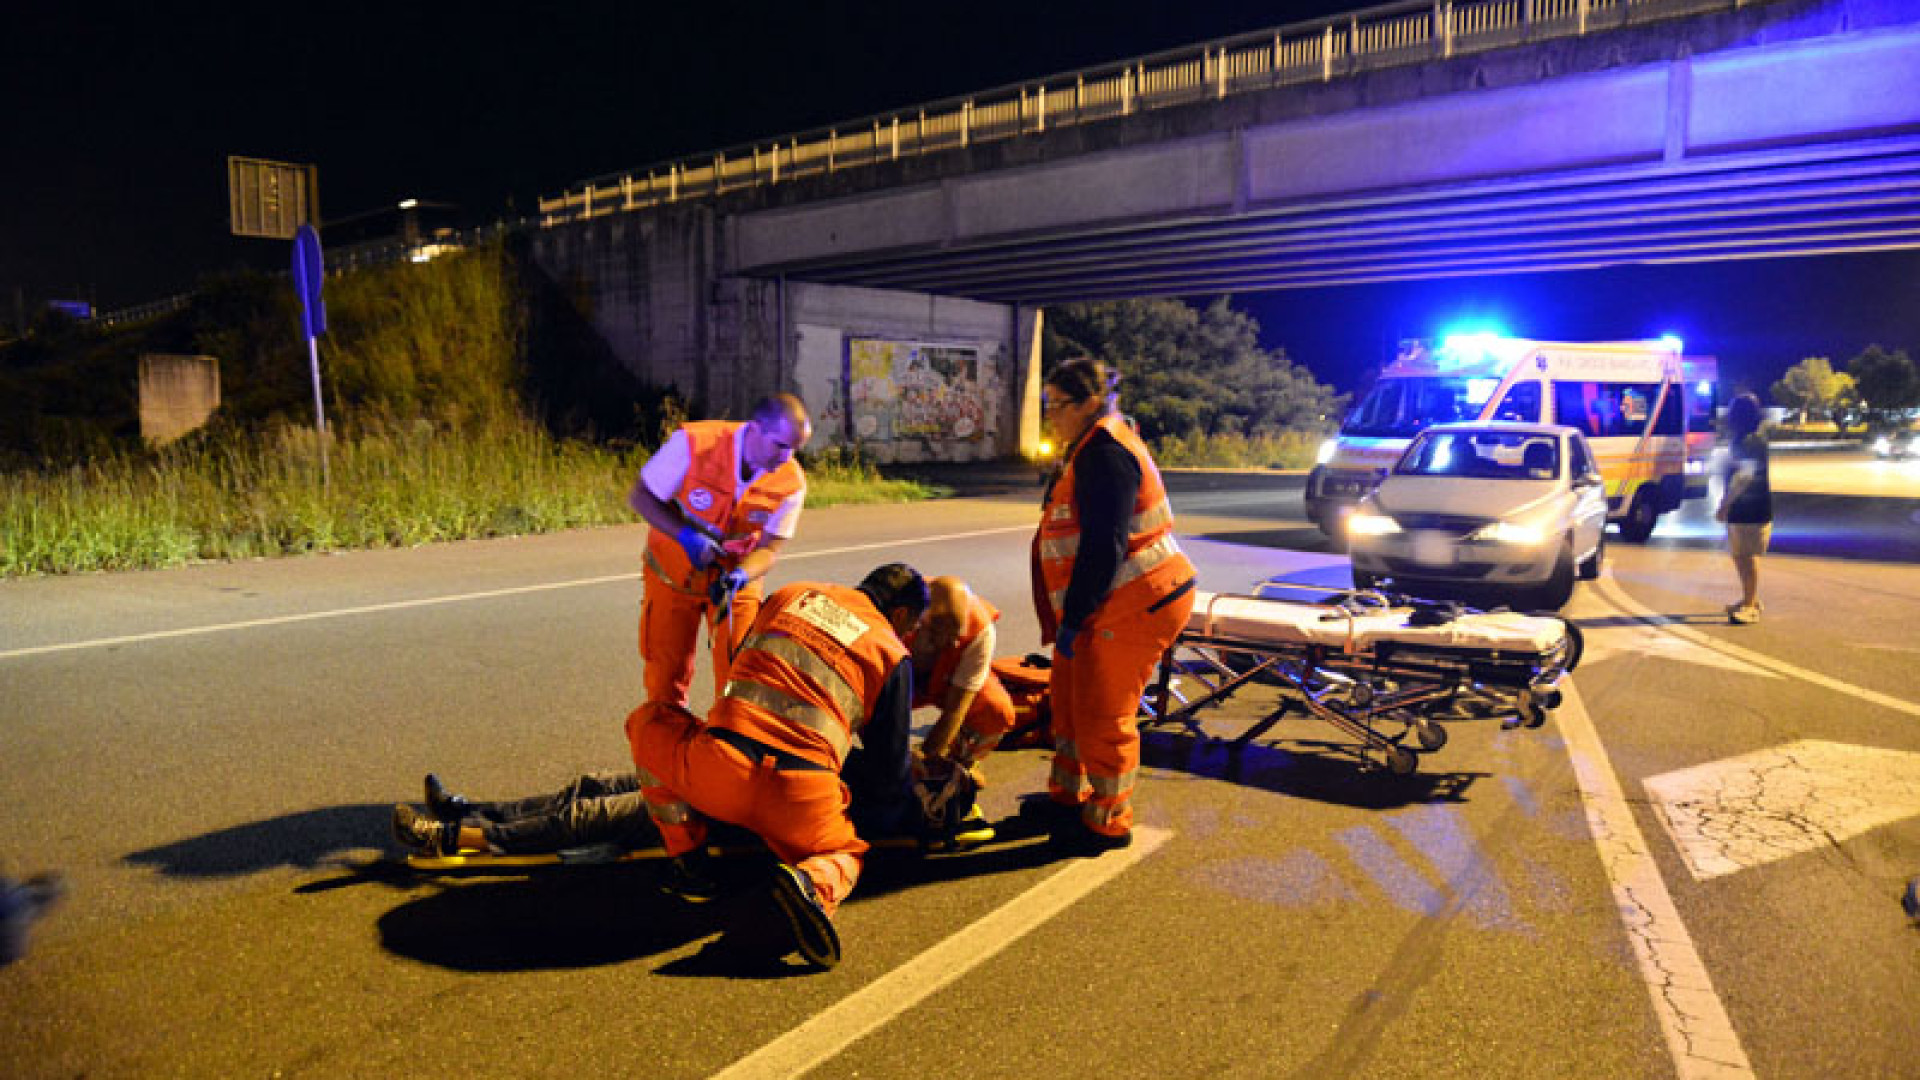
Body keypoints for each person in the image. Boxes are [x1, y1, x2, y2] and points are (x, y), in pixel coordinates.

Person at [625, 564, 935, 970]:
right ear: (899, 616)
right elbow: (887, 773)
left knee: (648, 721)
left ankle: (689, 862)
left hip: (720, 769)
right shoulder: (892, 652)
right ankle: (810, 883)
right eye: (913, 624)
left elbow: (740, 661)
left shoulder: (792, 595)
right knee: (845, 853)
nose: (910, 634)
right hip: (799, 796)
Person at [1027, 358, 1196, 853]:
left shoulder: (1105, 452)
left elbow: (1105, 546)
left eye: (1057, 406)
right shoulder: (1087, 446)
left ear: (1087, 404)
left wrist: (1076, 618)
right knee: (1071, 699)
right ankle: (1068, 796)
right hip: (1111, 597)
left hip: (1135, 599)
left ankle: (1106, 820)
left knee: (1104, 710)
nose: (1051, 416)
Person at [627, 394, 812, 708]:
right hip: (673, 576)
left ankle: (726, 751)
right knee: (665, 681)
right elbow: (642, 497)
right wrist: (686, 536)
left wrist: (741, 575)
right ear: (755, 429)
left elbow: (769, 549)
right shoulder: (695, 443)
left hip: (734, 583)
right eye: (780, 445)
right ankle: (664, 754)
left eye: (795, 448)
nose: (786, 457)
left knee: (740, 680)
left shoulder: (791, 482)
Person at [390, 771, 660, 857]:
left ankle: (447, 837)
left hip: (699, 806)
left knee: (588, 814)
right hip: (694, 773)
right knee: (591, 785)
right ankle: (465, 813)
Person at [910, 576, 1016, 783]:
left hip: (944, 682)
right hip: (904, 676)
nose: (954, 644)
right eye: (945, 635)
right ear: (922, 625)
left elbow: (956, 710)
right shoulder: (897, 614)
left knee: (996, 710)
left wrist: (927, 762)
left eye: (957, 634)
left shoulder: (980, 629)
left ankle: (956, 763)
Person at [1715, 392, 1773, 624]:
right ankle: (1750, 598)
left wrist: (1724, 504)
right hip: (1743, 508)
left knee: (1748, 557)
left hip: (1752, 508)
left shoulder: (1751, 441)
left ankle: (1750, 606)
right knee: (1740, 555)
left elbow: (1744, 477)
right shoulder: (1744, 438)